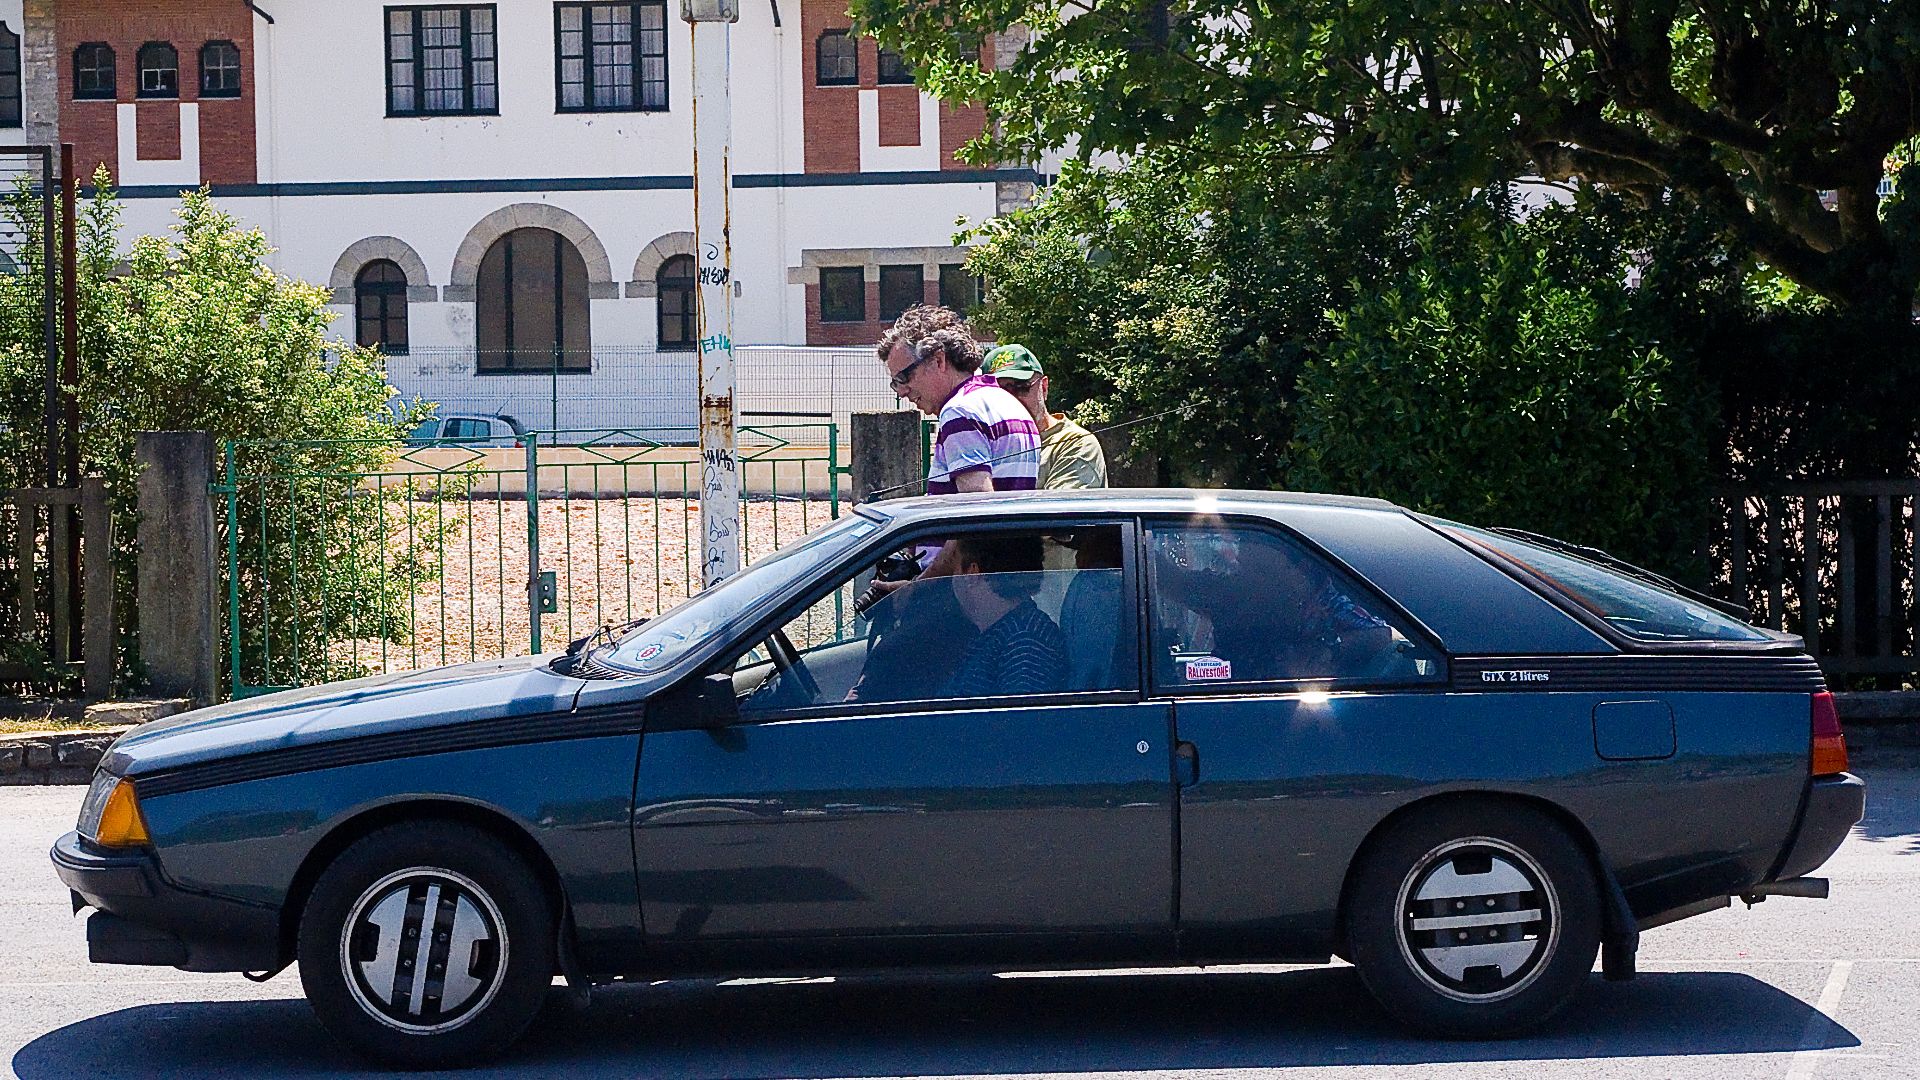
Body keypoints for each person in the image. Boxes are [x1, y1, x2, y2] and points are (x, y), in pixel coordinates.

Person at [943, 533, 1068, 698]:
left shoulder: (1025, 643)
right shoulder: (1006, 633)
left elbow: (1022, 712)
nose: (953, 577)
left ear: (972, 574)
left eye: (954, 568)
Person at [982, 344, 1108, 491]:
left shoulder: (1076, 444)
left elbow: (1058, 505)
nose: (1011, 399)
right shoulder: (982, 445)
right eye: (999, 392)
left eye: (1021, 387)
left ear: (1044, 387)